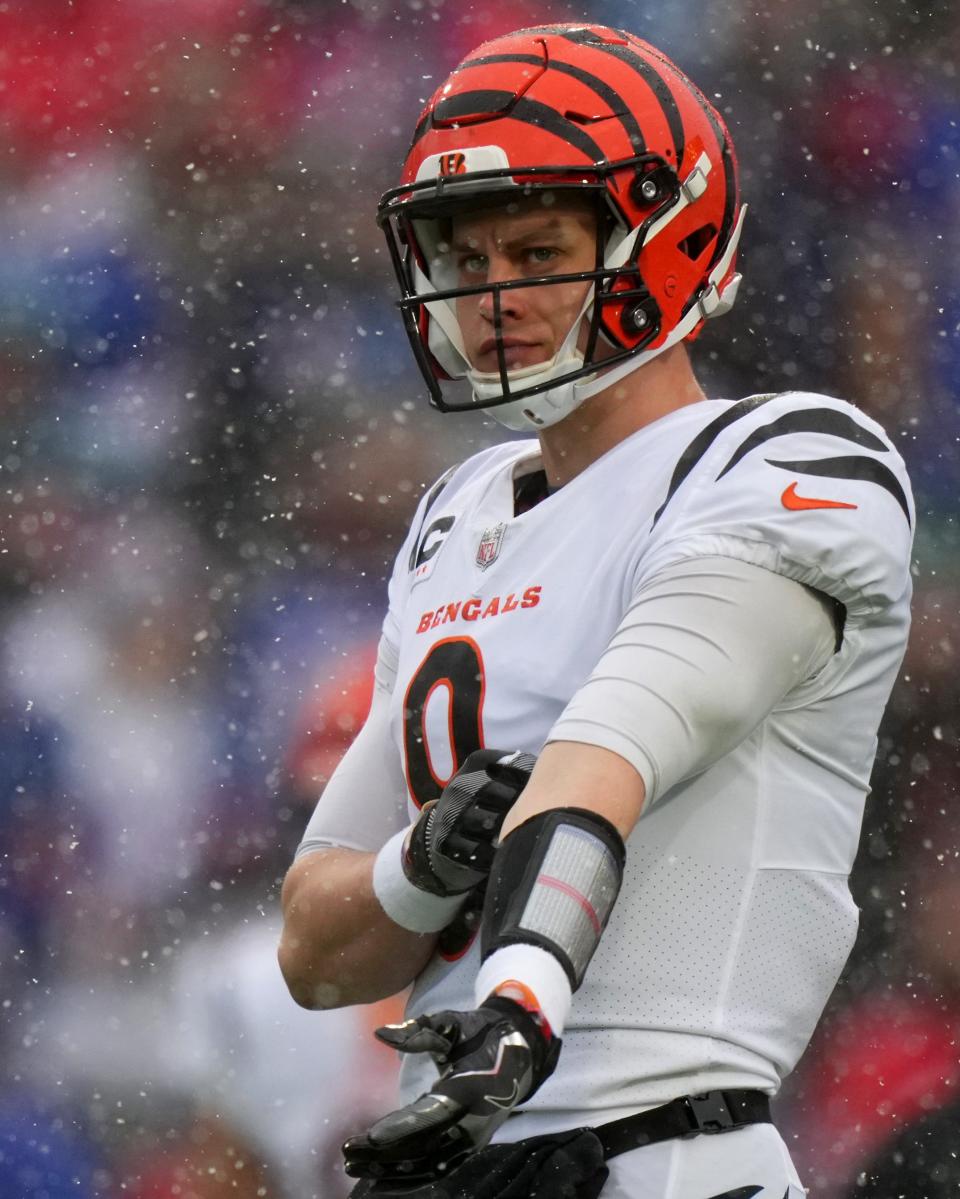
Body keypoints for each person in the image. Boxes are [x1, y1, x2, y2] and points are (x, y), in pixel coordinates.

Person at [278, 23, 914, 1199]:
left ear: (661, 236)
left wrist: (522, 995)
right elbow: (315, 948)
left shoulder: (782, 457)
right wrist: (425, 863)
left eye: (536, 249)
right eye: (465, 262)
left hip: (666, 1149)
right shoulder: (455, 512)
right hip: (460, 1159)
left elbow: (614, 745)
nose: (494, 296)